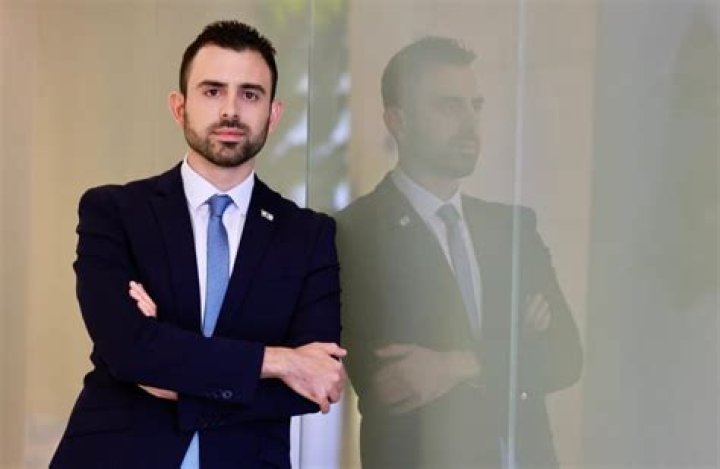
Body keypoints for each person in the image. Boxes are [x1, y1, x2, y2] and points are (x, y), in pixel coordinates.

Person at [51, 20, 345, 468]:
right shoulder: (114, 212)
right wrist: (281, 361)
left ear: (273, 114)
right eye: (212, 91)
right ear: (179, 106)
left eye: (250, 94)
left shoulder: (308, 235)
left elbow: (314, 385)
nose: (231, 110)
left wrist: (167, 362)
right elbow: (127, 350)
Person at [337, 36, 582, 468]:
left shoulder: (512, 228)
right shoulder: (354, 234)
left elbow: (564, 355)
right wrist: (515, 341)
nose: (469, 123)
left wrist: (455, 365)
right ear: (398, 121)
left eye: (475, 106)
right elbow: (394, 381)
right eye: (449, 106)